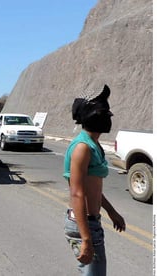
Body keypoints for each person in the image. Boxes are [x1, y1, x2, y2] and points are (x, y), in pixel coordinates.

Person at [63, 85, 125, 275]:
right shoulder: (82, 148)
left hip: (92, 222)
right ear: (90, 115)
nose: (109, 115)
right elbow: (77, 193)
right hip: (84, 224)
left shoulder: (94, 145)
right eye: (103, 111)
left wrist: (111, 211)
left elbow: (93, 189)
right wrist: (86, 239)